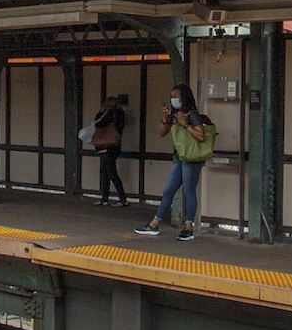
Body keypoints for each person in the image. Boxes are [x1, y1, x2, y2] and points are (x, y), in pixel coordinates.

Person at [135, 85, 214, 240]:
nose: (173, 100)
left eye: (176, 96)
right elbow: (162, 133)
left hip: (192, 158)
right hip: (179, 157)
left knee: (188, 191)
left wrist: (185, 124)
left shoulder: (192, 115)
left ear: (184, 97)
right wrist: (165, 119)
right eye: (172, 96)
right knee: (169, 190)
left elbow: (201, 136)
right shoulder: (174, 115)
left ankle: (188, 228)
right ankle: (154, 224)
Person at [90, 94, 130, 206]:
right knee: (107, 171)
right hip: (115, 146)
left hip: (104, 146)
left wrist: (104, 113)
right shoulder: (120, 114)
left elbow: (98, 124)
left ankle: (120, 199)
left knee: (110, 172)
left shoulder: (105, 115)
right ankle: (106, 198)